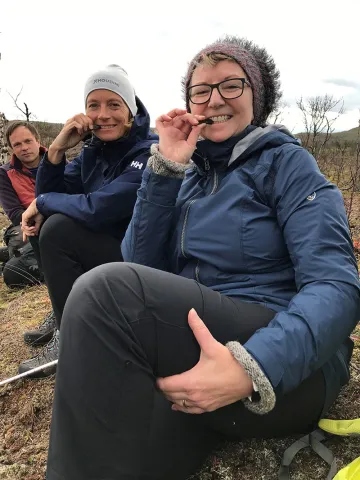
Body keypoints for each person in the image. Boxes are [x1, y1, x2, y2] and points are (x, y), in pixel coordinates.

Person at [45, 37, 360, 480]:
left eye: (231, 85)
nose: (214, 99)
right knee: (122, 451)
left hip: (289, 366)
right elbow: (139, 264)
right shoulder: (186, 175)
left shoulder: (288, 165)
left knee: (104, 292)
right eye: (200, 90)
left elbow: (338, 287)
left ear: (258, 97)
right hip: (201, 357)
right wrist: (165, 171)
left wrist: (251, 367)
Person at [20, 64, 158, 376]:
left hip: (141, 262)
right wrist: (55, 150)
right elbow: (53, 195)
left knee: (56, 228)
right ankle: (63, 316)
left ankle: (73, 337)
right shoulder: (94, 151)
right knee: (46, 221)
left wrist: (41, 201)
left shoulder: (148, 151)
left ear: (130, 110)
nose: (103, 114)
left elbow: (100, 208)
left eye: (114, 104)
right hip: (105, 251)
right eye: (93, 105)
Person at [0, 121, 45, 288]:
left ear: (37, 140)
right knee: (23, 236)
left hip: (57, 219)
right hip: (24, 224)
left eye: (28, 141)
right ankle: (16, 255)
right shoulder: (5, 174)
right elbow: (14, 214)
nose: (24, 147)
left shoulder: (59, 161)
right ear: (12, 149)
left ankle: (10, 256)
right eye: (17, 144)